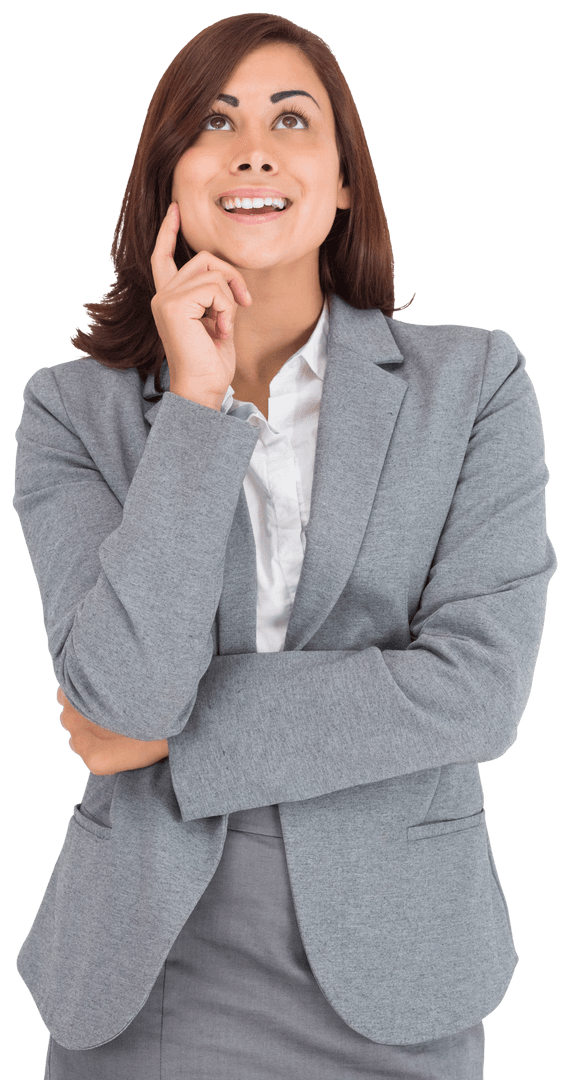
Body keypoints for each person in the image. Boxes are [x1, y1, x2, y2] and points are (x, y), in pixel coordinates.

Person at [11, 12, 556, 1080]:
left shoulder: (476, 386)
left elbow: (479, 692)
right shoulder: (72, 412)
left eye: (290, 119)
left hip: (401, 967)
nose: (254, 146)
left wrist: (181, 741)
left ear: (343, 180)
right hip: (145, 974)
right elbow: (119, 698)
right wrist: (200, 412)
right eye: (215, 122)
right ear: (168, 178)